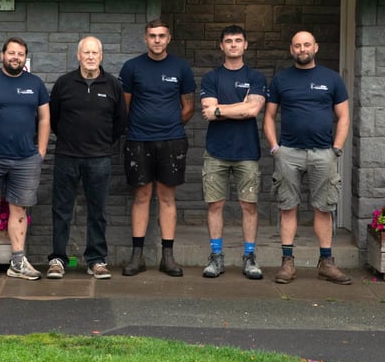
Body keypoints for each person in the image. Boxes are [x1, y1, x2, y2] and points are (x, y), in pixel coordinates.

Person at [263, 30, 352, 285]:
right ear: (291, 50)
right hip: (289, 153)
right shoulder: (281, 80)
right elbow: (269, 116)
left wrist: (336, 148)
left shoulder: (331, 79)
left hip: (323, 153)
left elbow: (344, 116)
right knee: (287, 207)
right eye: (297, 45)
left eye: (307, 45)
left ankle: (326, 263)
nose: (302, 49)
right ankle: (287, 262)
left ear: (316, 47)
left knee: (323, 208)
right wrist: (275, 148)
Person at [46, 37, 128, 280]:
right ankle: (58, 259)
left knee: (97, 211)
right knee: (61, 209)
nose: (91, 57)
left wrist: (102, 142)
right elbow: (53, 118)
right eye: (86, 52)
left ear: (101, 56)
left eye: (95, 53)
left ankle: (96, 260)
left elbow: (120, 121)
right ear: (78, 55)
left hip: (99, 158)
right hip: (67, 157)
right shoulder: (64, 83)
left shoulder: (112, 85)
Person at [118, 19, 196, 277]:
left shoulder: (180, 67)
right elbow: (124, 106)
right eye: (152, 36)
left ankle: (168, 257)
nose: (157, 40)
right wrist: (142, 126)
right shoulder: (132, 67)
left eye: (162, 36)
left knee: (167, 197)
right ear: (145, 38)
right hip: (138, 140)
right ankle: (137, 257)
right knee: (141, 197)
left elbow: (189, 106)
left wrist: (169, 125)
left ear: (169, 38)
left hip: (172, 141)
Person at [0, 36, 50, 281]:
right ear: (2, 55)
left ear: (25, 58)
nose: (16, 57)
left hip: (25, 159)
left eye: (20, 54)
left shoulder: (35, 84)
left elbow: (45, 118)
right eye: (11, 53)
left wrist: (41, 151)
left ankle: (17, 263)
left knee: (19, 210)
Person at [200, 25, 267, 280]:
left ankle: (249, 257)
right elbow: (208, 111)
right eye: (228, 41)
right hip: (215, 151)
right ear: (221, 46)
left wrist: (221, 109)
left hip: (246, 152)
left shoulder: (256, 77)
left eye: (238, 40)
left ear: (245, 45)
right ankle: (216, 256)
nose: (233, 45)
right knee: (215, 205)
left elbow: (252, 111)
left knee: (248, 205)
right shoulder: (211, 78)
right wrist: (241, 105)